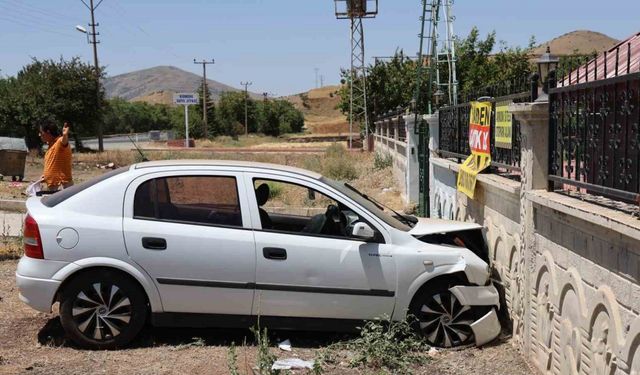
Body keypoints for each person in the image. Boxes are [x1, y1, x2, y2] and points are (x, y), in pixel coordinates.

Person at [39, 121, 73, 191]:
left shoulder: (59, 142)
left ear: (48, 132)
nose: (39, 135)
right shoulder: (51, 145)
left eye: (41, 132)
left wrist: (65, 135)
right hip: (54, 185)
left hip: (62, 185)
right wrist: (45, 176)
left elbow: (64, 142)